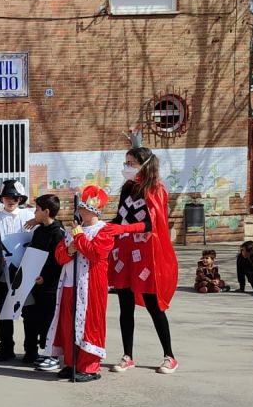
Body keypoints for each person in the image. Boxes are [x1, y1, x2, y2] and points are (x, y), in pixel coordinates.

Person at [42, 186, 147, 381]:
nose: (82, 211)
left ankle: (88, 366)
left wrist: (79, 236)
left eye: (86, 208)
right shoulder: (70, 230)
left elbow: (95, 253)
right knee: (68, 324)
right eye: (81, 208)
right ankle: (70, 362)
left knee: (89, 324)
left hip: (90, 284)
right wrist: (70, 250)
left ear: (95, 211)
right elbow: (59, 256)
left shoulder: (104, 230)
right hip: (69, 284)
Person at [109, 147, 180, 375]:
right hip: (125, 252)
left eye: (131, 163)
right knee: (125, 306)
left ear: (145, 164)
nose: (127, 167)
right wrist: (96, 223)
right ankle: (127, 355)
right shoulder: (128, 188)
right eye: (126, 162)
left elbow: (151, 224)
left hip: (146, 255)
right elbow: (120, 217)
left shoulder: (156, 190)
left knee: (153, 305)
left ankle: (169, 356)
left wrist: (124, 228)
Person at [0, 179, 35, 361]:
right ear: (2, 199)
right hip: (3, 273)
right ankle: (6, 347)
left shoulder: (29, 215)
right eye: (8, 197)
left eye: (15, 197)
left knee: (29, 312)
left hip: (25, 272)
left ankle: (31, 349)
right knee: (4, 311)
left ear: (20, 199)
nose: (11, 200)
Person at [25, 194, 66, 367]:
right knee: (38, 320)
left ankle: (53, 356)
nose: (35, 212)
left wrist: (46, 277)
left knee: (50, 321)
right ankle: (43, 351)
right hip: (36, 285)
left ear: (46, 211)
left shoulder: (59, 233)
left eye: (37, 209)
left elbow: (59, 262)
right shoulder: (40, 231)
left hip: (51, 287)